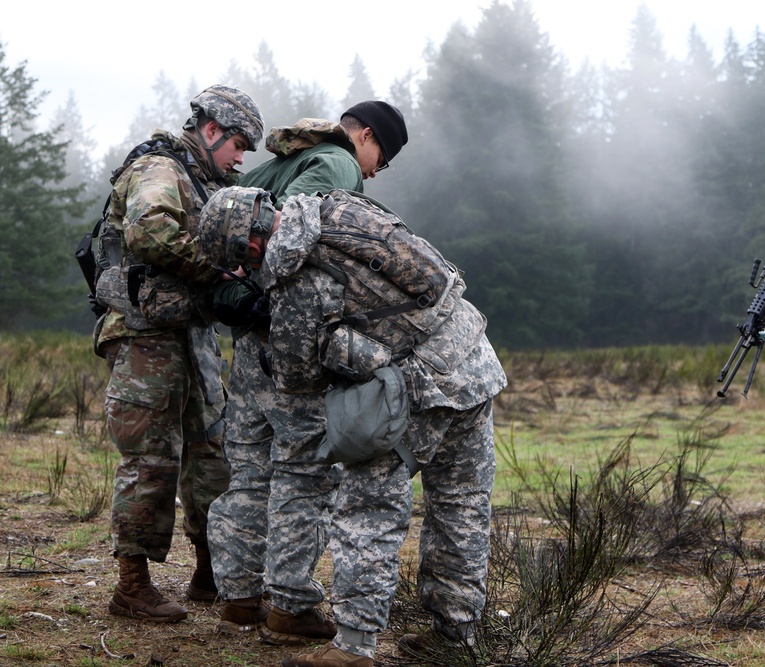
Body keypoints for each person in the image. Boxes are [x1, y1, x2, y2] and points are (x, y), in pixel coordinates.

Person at [198, 185, 506, 667]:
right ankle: (456, 633)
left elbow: (297, 379)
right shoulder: (336, 206)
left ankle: (356, 647)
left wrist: (337, 350)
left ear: (249, 246)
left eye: (240, 261)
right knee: (462, 503)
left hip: (417, 388)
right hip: (472, 357)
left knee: (368, 509)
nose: (245, 272)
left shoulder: (296, 278)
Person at [206, 102, 409, 641]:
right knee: (302, 471)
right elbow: (290, 239)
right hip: (289, 338)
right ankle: (290, 606)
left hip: (251, 342)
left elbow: (233, 235)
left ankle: (240, 597)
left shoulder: (274, 165)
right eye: (381, 160)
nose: (372, 172)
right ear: (365, 136)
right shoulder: (339, 163)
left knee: (249, 469)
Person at [93, 84, 264, 622]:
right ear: (210, 131)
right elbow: (149, 232)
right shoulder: (160, 169)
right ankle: (132, 586)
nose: (240, 158)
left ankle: (211, 573)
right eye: (238, 144)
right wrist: (219, 274)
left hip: (190, 332)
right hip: (146, 332)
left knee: (212, 450)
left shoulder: (204, 179)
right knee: (150, 458)